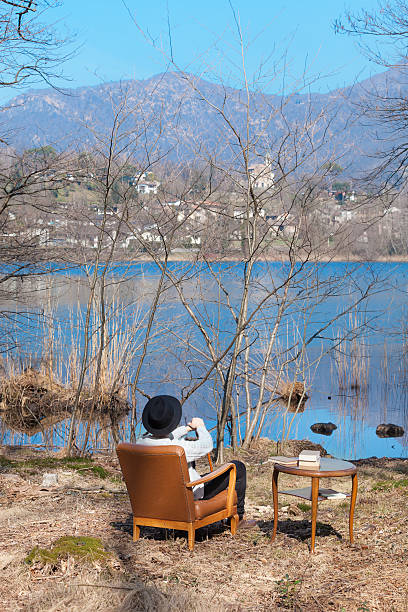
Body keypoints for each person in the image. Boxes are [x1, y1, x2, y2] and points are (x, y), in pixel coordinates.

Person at [136, 394, 248, 521]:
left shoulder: (140, 444)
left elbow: (163, 437)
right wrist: (200, 426)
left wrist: (187, 428)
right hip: (188, 493)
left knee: (194, 467)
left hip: (159, 497)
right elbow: (207, 445)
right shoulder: (179, 449)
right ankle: (238, 518)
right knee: (238, 467)